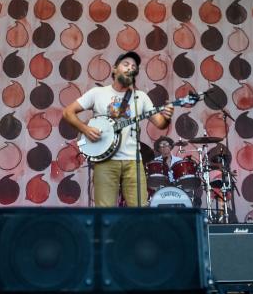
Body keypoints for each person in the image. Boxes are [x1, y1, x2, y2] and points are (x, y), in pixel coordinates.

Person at [62, 51, 173, 206]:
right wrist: (85, 129)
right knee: (104, 212)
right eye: (126, 64)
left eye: (133, 66)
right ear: (114, 69)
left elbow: (160, 124)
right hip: (105, 161)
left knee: (140, 211)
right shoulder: (97, 93)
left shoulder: (140, 97)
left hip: (134, 162)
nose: (130, 68)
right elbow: (68, 112)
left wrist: (167, 116)